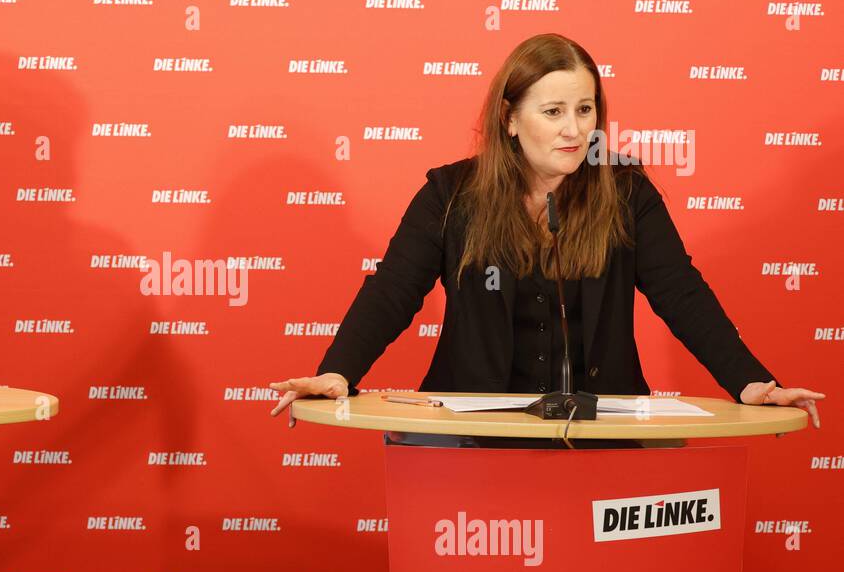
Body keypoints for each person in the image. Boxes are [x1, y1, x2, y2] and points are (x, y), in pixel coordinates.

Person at [270, 33, 823, 429]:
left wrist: (751, 382)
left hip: (600, 429)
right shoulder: (450, 194)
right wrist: (338, 371)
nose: (575, 129)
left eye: (585, 110)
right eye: (554, 111)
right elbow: (392, 290)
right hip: (475, 431)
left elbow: (682, 293)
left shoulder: (627, 193)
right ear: (510, 119)